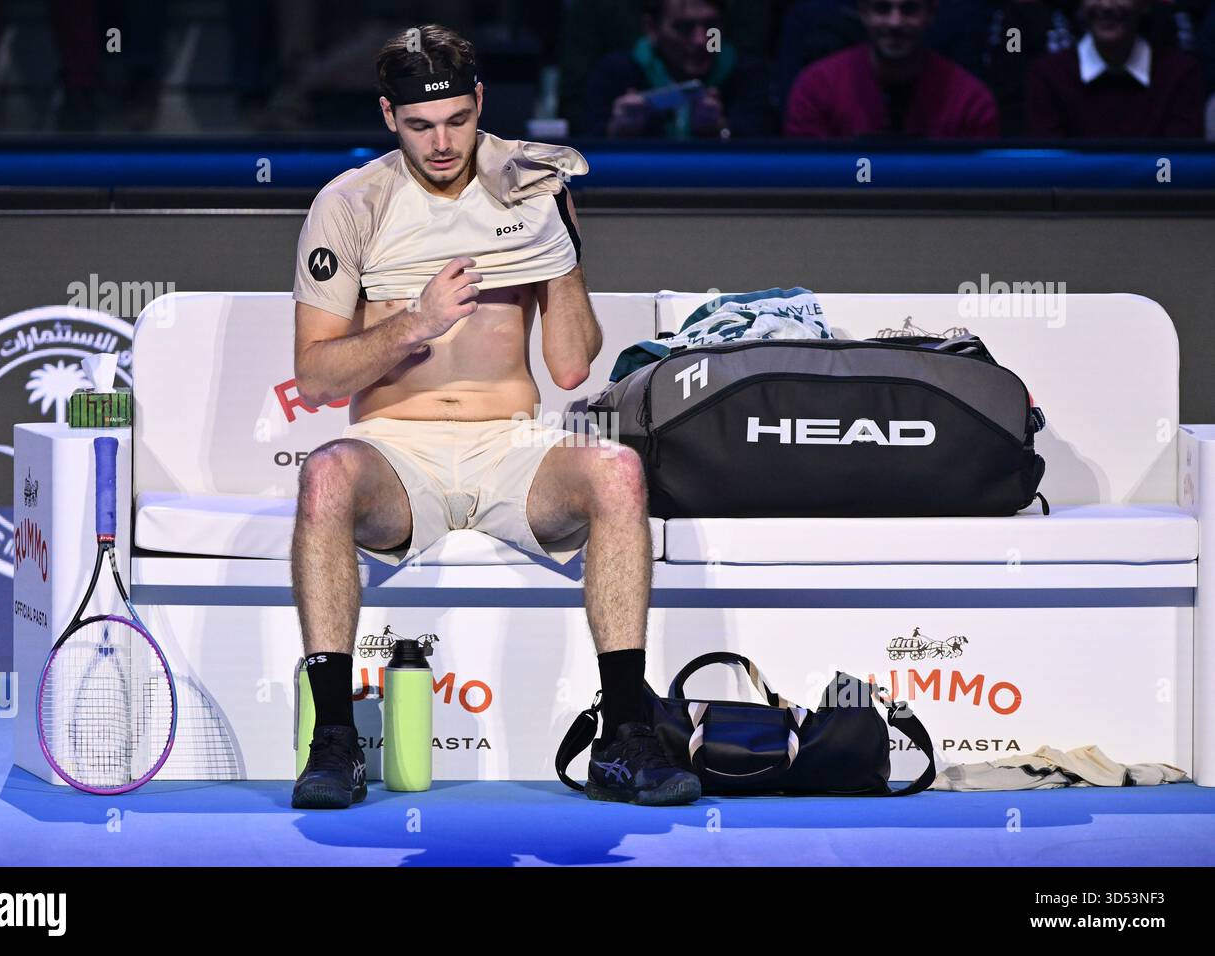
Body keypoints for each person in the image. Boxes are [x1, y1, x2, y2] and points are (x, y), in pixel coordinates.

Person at [287, 24, 701, 810]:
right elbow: (313, 378)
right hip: (397, 450)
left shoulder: (529, 182)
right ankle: (335, 739)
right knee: (324, 475)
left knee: (616, 468)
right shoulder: (351, 204)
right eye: (419, 125)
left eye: (456, 120)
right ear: (387, 117)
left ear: (480, 103)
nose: (441, 143)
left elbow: (573, 366)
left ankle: (624, 735)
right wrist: (416, 321)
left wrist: (563, 241)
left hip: (510, 444)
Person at [785, 0, 1000, 138]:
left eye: (909, 9)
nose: (895, 22)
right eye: (882, 8)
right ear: (862, 13)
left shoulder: (971, 101)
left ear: (931, 14)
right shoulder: (815, 89)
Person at [584, 0, 776, 138]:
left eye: (711, 26)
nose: (701, 40)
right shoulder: (615, 73)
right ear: (651, 27)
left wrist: (722, 130)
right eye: (684, 28)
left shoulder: (748, 73)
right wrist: (616, 131)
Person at [1024, 0, 1205, 137]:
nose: (1106, 5)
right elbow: (1049, 172)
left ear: (1144, 5)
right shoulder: (1047, 76)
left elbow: (1178, 170)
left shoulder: (1181, 74)